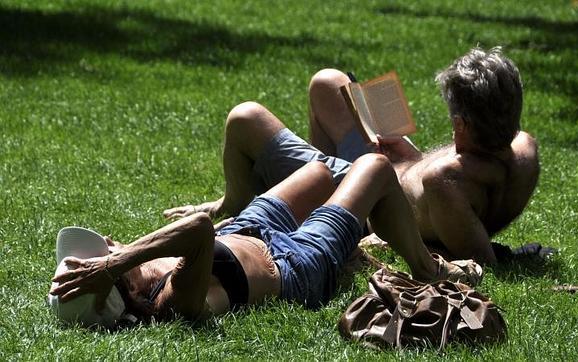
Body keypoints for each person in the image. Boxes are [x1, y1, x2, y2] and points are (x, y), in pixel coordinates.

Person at [165, 47, 539, 265]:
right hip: (392, 164)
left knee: (245, 117)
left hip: (362, 187)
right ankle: (307, 191)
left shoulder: (445, 182)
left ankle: (241, 201)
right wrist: (409, 156)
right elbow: (455, 196)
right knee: (329, 81)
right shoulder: (524, 148)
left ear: (460, 126)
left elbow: (477, 259)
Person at [49, 156, 481, 327]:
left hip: (245, 231)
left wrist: (115, 261)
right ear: (119, 286)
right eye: (102, 253)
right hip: (293, 265)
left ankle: (354, 244)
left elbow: (207, 233)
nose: (108, 241)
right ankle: (427, 266)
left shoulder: (138, 271)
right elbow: (198, 228)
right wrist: (116, 261)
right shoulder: (169, 302)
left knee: (318, 173)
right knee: (375, 168)